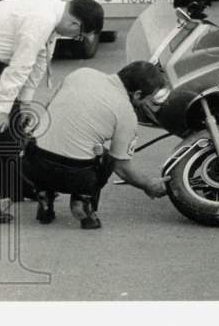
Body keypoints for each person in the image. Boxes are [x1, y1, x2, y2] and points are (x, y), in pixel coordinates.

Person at [0, 0, 104, 222]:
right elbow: (21, 64)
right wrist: (3, 108)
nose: (75, 38)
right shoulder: (41, 19)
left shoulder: (55, 17)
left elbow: (39, 61)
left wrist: (24, 103)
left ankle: (16, 186)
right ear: (74, 24)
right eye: (79, 36)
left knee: (15, 123)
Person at [22, 62, 169, 230]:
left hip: (32, 164)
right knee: (106, 157)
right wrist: (149, 184)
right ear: (137, 94)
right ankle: (82, 201)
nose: (149, 104)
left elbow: (48, 106)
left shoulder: (81, 73)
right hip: (75, 176)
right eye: (151, 98)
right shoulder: (127, 114)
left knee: (47, 140)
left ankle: (44, 196)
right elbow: (121, 167)